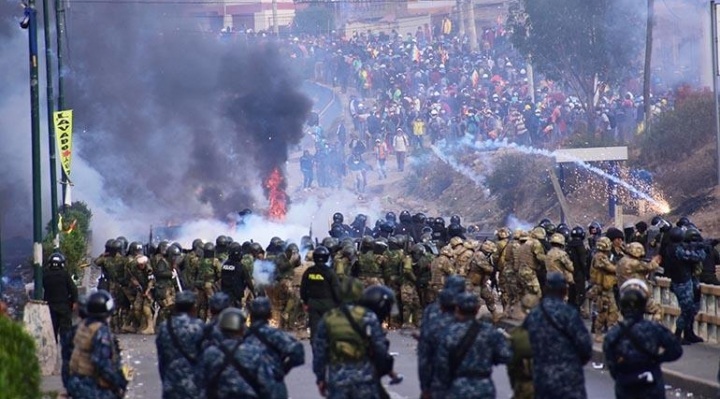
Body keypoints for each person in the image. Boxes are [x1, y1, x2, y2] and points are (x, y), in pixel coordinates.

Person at [603, 279, 682, 399]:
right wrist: (658, 359)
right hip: (651, 385)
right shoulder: (653, 329)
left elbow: (611, 363)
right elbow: (676, 350)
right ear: (643, 307)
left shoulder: (613, 333)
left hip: (626, 388)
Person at [312, 278, 389, 398]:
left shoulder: (329, 318)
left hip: (337, 377)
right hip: (364, 377)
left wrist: (320, 378)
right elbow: (380, 348)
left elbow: (319, 352)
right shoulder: (368, 316)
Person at [523, 272, 592, 399]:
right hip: (569, 379)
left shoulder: (534, 315)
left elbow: (524, 347)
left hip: (542, 378)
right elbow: (586, 347)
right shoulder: (570, 314)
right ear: (565, 291)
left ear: (545, 289)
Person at [435, 292, 512, 398]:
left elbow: (440, 364)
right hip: (483, 386)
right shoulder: (489, 332)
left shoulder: (448, 332)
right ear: (477, 309)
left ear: (457, 309)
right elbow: (505, 356)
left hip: (457, 387)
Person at [200, 308, 276, 398]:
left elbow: (199, 382)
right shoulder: (253, 352)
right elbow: (267, 385)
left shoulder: (210, 353)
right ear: (242, 329)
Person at [66, 290, 128, 399]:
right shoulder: (100, 331)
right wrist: (119, 381)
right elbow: (101, 362)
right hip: (91, 385)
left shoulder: (84, 326)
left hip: (77, 381)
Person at [245, 297, 305, 399]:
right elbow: (298, 353)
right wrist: (283, 368)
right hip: (273, 384)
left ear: (251, 315)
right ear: (269, 315)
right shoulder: (276, 335)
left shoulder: (242, 336)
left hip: (248, 385)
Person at [418, 275, 466, 399]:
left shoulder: (431, 310)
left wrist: (425, 387)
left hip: (438, 377)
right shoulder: (467, 309)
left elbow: (424, 355)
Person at [156, 291, 205, 399]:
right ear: (193, 307)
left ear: (176, 307)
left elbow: (162, 358)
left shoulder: (165, 327)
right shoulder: (199, 326)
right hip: (195, 384)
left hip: (171, 382)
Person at [300, 246, 341, 341]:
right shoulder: (330, 272)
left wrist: (305, 302)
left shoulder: (309, 272)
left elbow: (303, 288)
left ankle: (315, 346)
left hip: (313, 304)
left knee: (314, 328)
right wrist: (339, 303)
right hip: (328, 304)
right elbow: (336, 289)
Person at [43, 252, 79, 340]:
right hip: (64, 307)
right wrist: (75, 301)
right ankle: (66, 349)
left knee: (52, 331)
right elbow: (73, 289)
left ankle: (53, 350)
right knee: (66, 331)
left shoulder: (45, 275)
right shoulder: (64, 274)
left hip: (50, 306)